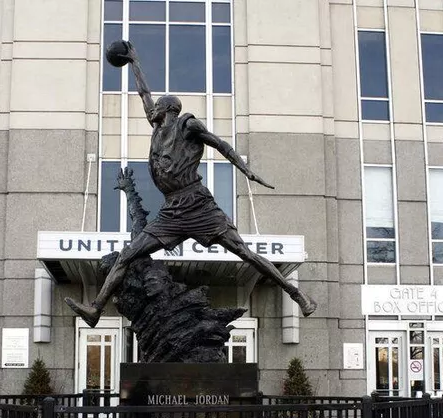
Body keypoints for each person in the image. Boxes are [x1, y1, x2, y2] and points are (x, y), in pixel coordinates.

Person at [65, 41, 317, 328]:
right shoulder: (158, 129)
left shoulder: (187, 124)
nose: (151, 107)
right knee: (127, 254)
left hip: (197, 204)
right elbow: (144, 93)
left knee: (245, 253)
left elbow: (220, 144)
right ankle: (96, 310)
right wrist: (134, 62)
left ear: (168, 108)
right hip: (172, 211)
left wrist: (246, 171)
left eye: (157, 105)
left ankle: (298, 296)